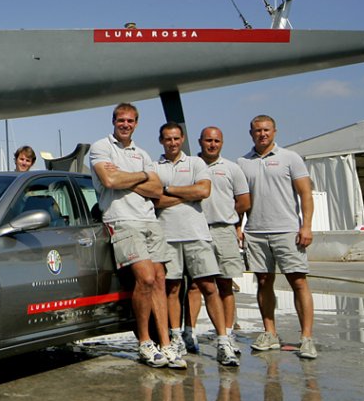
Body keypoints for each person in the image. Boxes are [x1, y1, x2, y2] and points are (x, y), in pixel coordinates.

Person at [89, 103, 185, 369]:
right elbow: (109, 182)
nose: (125, 124)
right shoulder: (101, 147)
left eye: (130, 121)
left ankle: (165, 344)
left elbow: (156, 190)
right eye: (121, 120)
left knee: (160, 281)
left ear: (136, 123)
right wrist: (142, 176)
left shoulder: (142, 153)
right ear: (113, 121)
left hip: (148, 220)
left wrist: (130, 176)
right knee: (145, 278)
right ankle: (144, 342)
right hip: (122, 220)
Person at [154, 122, 238, 367]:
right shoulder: (154, 167)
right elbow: (154, 200)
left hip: (196, 235)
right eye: (168, 139)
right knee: (172, 289)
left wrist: (169, 190)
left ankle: (223, 341)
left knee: (209, 287)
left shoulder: (196, 163)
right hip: (167, 236)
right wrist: (185, 195)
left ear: (182, 139)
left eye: (176, 138)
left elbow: (203, 191)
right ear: (161, 141)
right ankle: (177, 337)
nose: (172, 143)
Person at [238, 114, 317, 359]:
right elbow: (240, 200)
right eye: (257, 130)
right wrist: (237, 227)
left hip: (287, 231)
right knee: (263, 282)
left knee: (299, 282)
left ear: (274, 131)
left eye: (266, 130)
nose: (262, 134)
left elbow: (305, 194)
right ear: (251, 133)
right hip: (256, 233)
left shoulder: (290, 158)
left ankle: (306, 338)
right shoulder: (243, 162)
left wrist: (306, 226)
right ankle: (269, 333)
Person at [185, 126, 251, 354]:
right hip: (196, 231)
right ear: (200, 141)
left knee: (224, 284)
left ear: (221, 143)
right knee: (195, 285)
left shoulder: (233, 169)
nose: (212, 144)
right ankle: (189, 333)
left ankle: (227, 333)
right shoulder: (191, 166)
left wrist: (228, 217)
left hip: (224, 231)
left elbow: (243, 201)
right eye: (208, 140)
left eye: (216, 141)